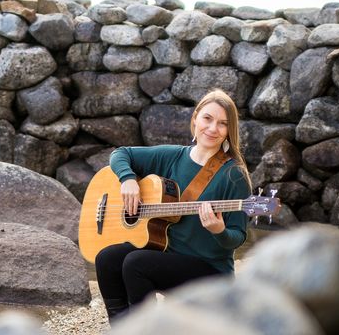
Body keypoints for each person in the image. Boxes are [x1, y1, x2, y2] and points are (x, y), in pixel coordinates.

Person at [95, 89, 252, 325]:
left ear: (230, 131)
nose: (212, 128)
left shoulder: (233, 176)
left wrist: (218, 230)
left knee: (136, 263)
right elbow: (121, 154)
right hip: (168, 254)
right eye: (207, 119)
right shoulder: (173, 156)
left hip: (209, 269)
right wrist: (127, 180)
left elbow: (238, 238)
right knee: (107, 258)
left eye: (222, 124)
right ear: (195, 118)